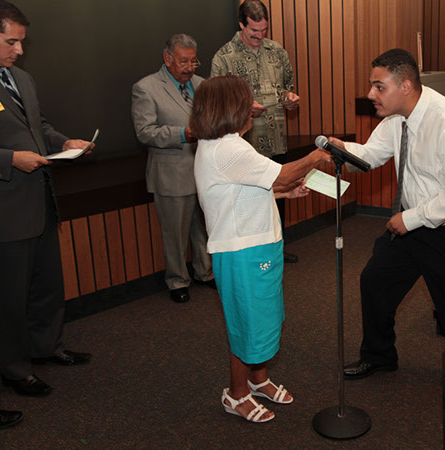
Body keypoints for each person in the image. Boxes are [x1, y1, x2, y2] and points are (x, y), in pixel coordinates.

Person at [330, 49, 445, 427]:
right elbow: (372, 156)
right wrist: (343, 150)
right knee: (374, 282)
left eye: (379, 86)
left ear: (405, 85)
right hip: (413, 224)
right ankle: (379, 355)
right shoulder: (397, 119)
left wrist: (411, 218)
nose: (371, 94)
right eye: (371, 86)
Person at [191, 75, 329, 423]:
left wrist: (282, 193)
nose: (252, 106)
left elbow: (242, 191)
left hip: (257, 246)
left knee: (263, 318)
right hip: (242, 253)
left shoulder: (224, 144)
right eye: (246, 100)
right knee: (246, 324)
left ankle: (258, 379)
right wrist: (316, 156)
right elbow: (281, 174)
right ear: (230, 107)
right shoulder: (228, 148)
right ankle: (235, 395)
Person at [0, 0, 92, 397]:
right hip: (6, 209)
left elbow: (40, 126)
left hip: (41, 201)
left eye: (21, 42)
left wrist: (63, 142)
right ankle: (16, 370)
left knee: (48, 285)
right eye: (11, 42)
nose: (19, 50)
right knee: (10, 299)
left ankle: (47, 347)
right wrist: (9, 159)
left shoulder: (22, 79)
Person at [210, 0, 301, 264]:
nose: (260, 37)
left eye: (264, 31)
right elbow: (215, 105)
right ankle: (254, 255)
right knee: (250, 202)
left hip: (276, 140)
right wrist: (244, 109)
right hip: (243, 148)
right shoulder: (223, 57)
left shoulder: (277, 52)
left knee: (279, 194)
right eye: (254, 32)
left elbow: (286, 87)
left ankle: (277, 249)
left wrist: (290, 99)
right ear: (241, 24)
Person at [132, 34, 214, 303]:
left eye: (194, 61)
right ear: (168, 59)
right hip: (171, 174)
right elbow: (144, 132)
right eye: (184, 61)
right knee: (176, 233)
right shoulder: (146, 88)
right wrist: (182, 133)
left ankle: (205, 272)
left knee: (202, 228)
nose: (190, 67)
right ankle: (177, 280)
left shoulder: (202, 85)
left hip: (203, 172)